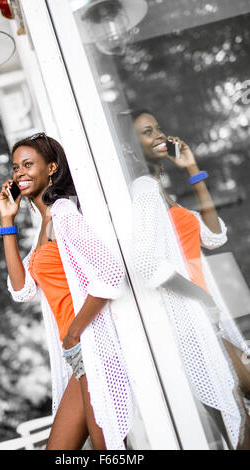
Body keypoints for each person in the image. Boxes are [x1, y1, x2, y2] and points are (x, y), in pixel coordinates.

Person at [0, 132, 134, 450]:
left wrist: (74, 333)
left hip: (94, 349)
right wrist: (7, 222)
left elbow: (112, 274)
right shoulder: (44, 226)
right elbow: (22, 290)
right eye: (16, 167)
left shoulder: (63, 214)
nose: (20, 173)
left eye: (28, 164)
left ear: (51, 168)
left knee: (112, 450)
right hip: (79, 356)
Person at [131, 110, 250, 450]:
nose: (158, 136)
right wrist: (201, 298)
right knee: (237, 418)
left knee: (239, 415)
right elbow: (144, 261)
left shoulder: (157, 190)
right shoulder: (142, 190)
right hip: (188, 322)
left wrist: (194, 171)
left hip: (206, 316)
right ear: (130, 146)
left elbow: (214, 236)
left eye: (158, 128)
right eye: (146, 132)